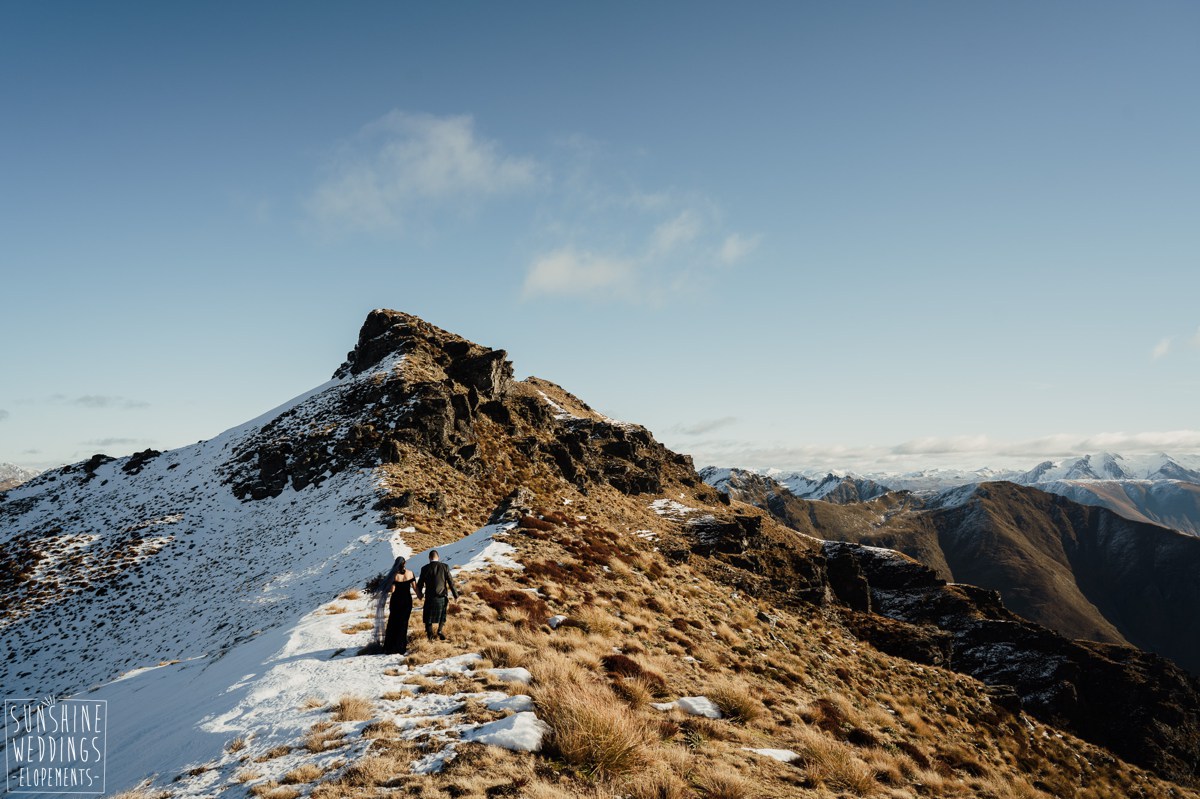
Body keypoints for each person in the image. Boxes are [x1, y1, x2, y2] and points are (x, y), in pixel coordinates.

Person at [374, 556, 416, 655]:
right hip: (407, 601)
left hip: (396, 601)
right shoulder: (410, 573)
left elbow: (392, 590)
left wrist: (384, 587)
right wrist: (420, 595)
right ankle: (401, 646)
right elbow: (415, 587)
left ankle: (391, 646)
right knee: (403, 623)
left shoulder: (394, 575)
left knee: (393, 622)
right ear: (404, 563)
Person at [416, 549, 458, 640]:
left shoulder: (424, 568)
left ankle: (430, 636)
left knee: (428, 618)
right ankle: (439, 630)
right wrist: (455, 595)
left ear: (429, 558)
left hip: (430, 597)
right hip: (441, 596)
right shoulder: (445, 567)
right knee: (442, 615)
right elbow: (451, 582)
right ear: (438, 557)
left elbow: (420, 584)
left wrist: (420, 595)